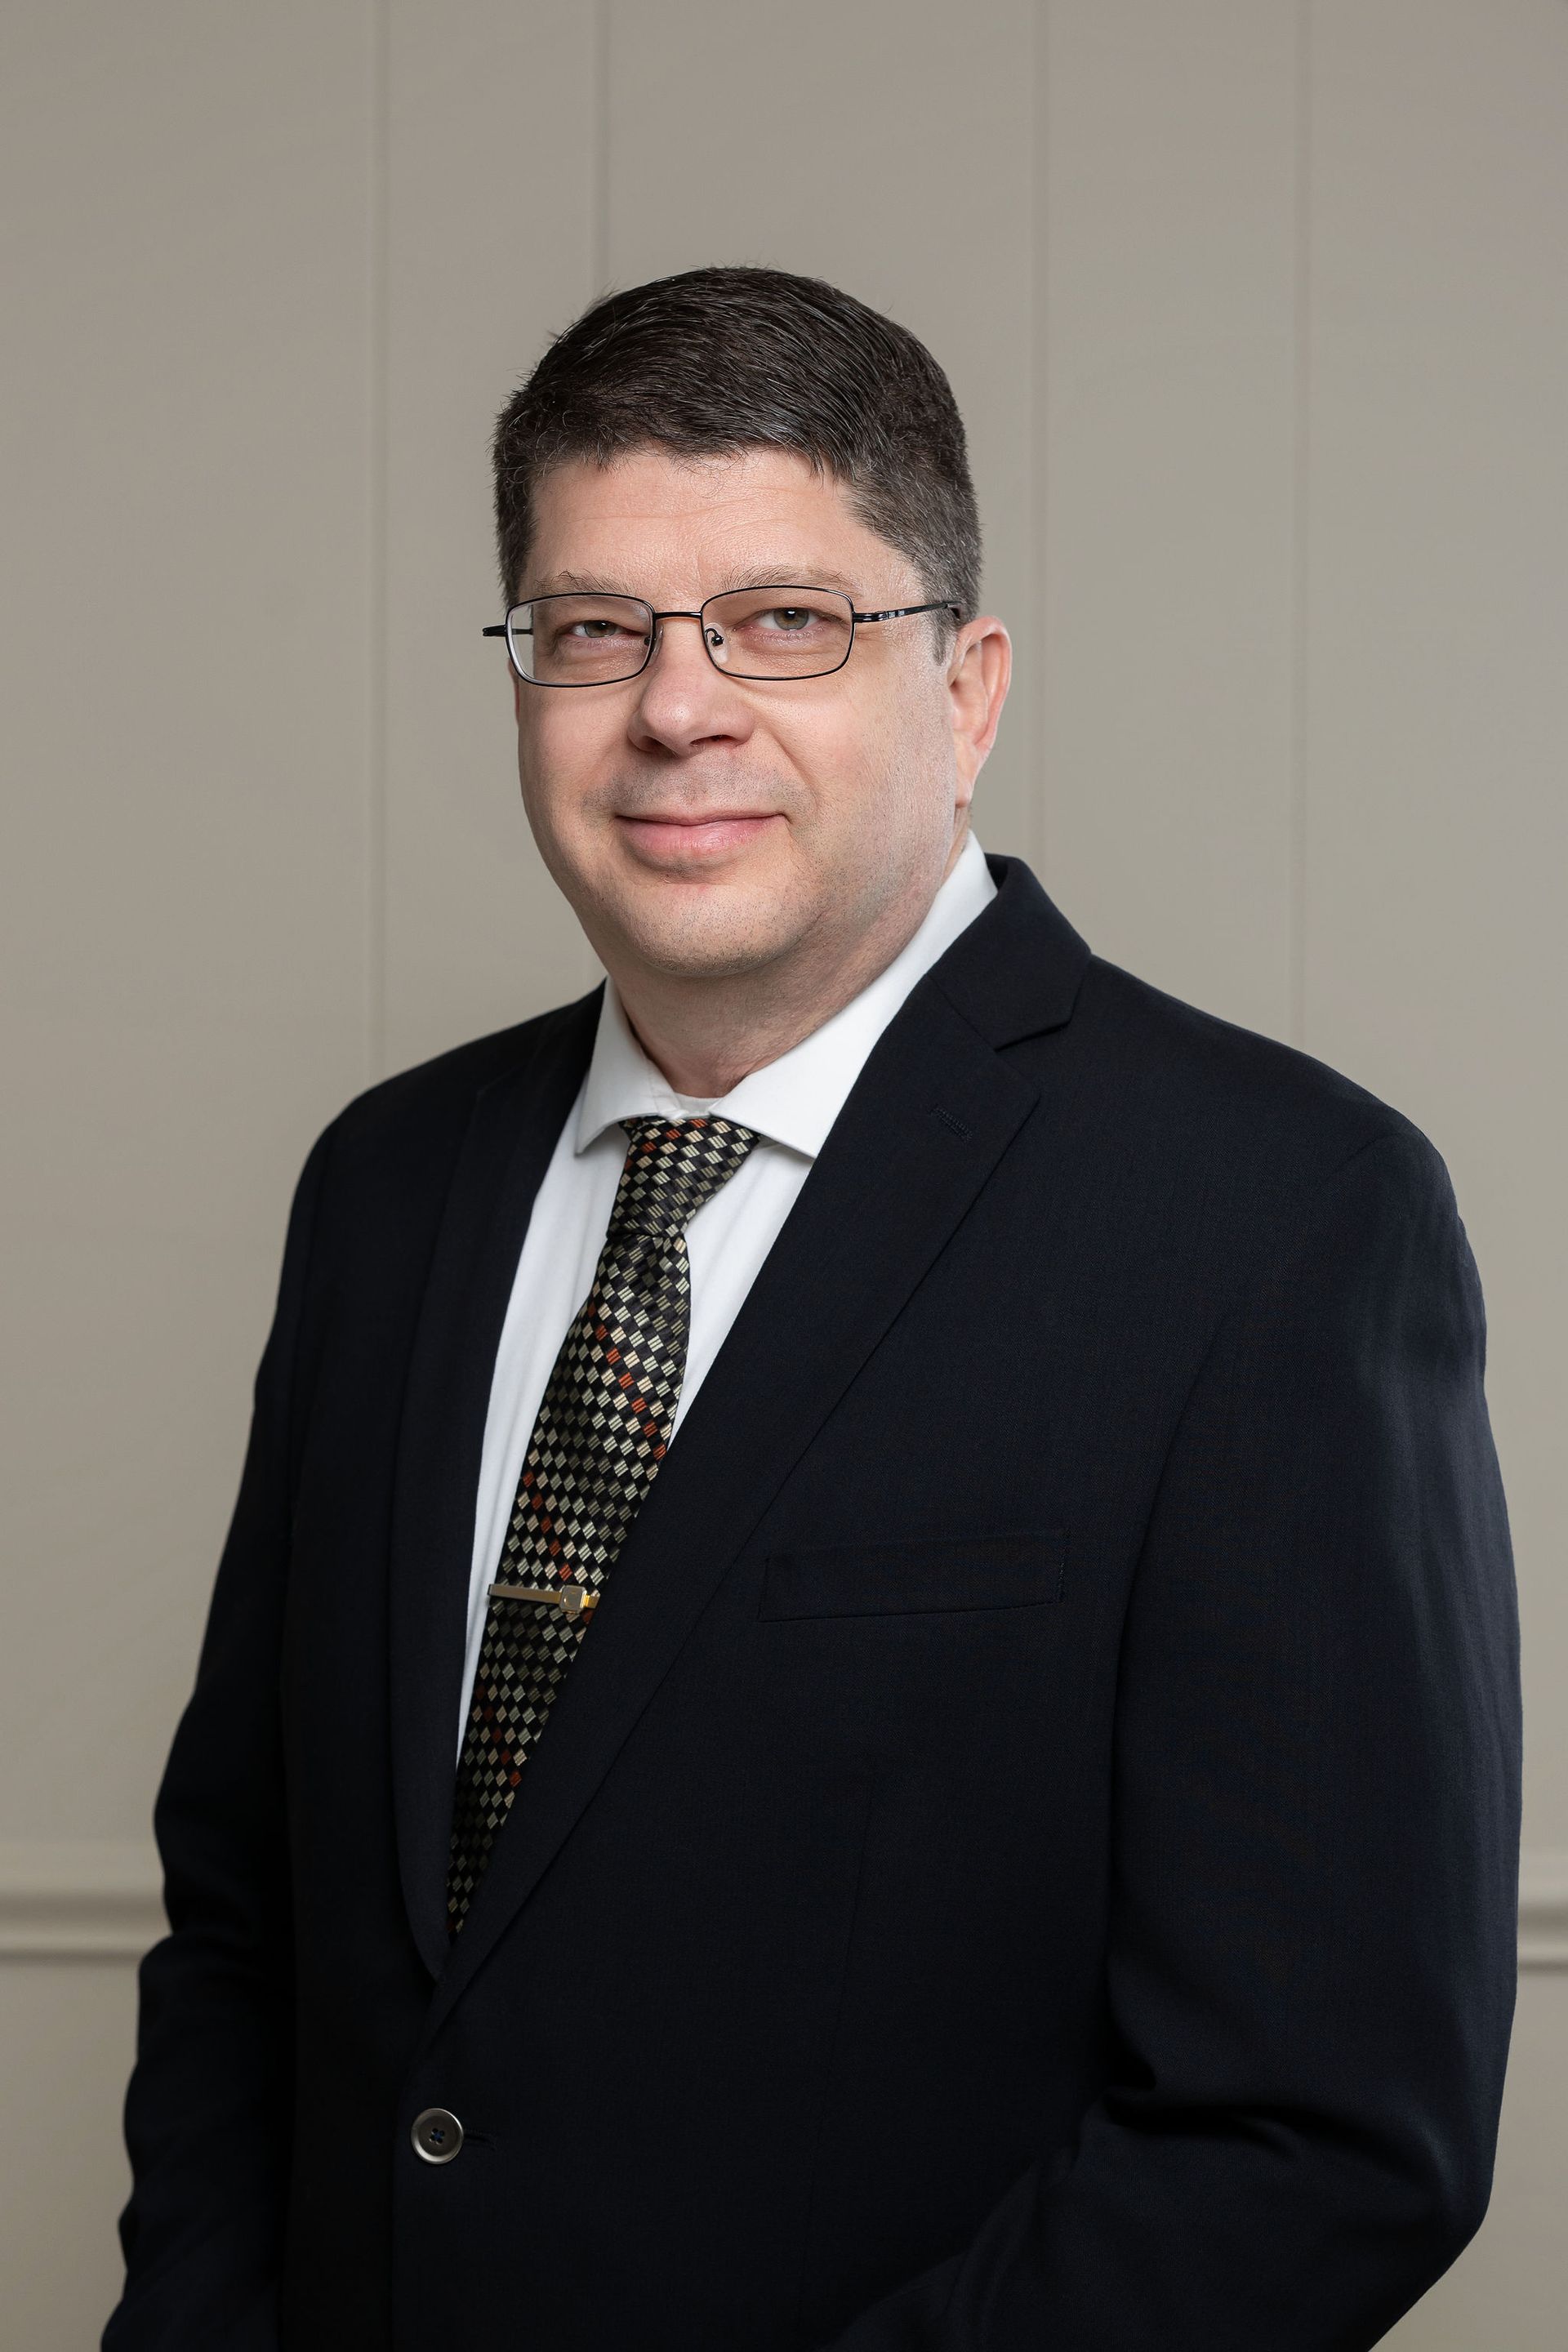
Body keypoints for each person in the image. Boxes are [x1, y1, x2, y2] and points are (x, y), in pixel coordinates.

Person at [105, 265, 1520, 2352]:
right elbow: (250, 1927)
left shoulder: (1277, 1218)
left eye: (786, 621)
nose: (676, 709)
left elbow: (1318, 2136)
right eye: (595, 629)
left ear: (969, 688)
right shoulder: (388, 1189)